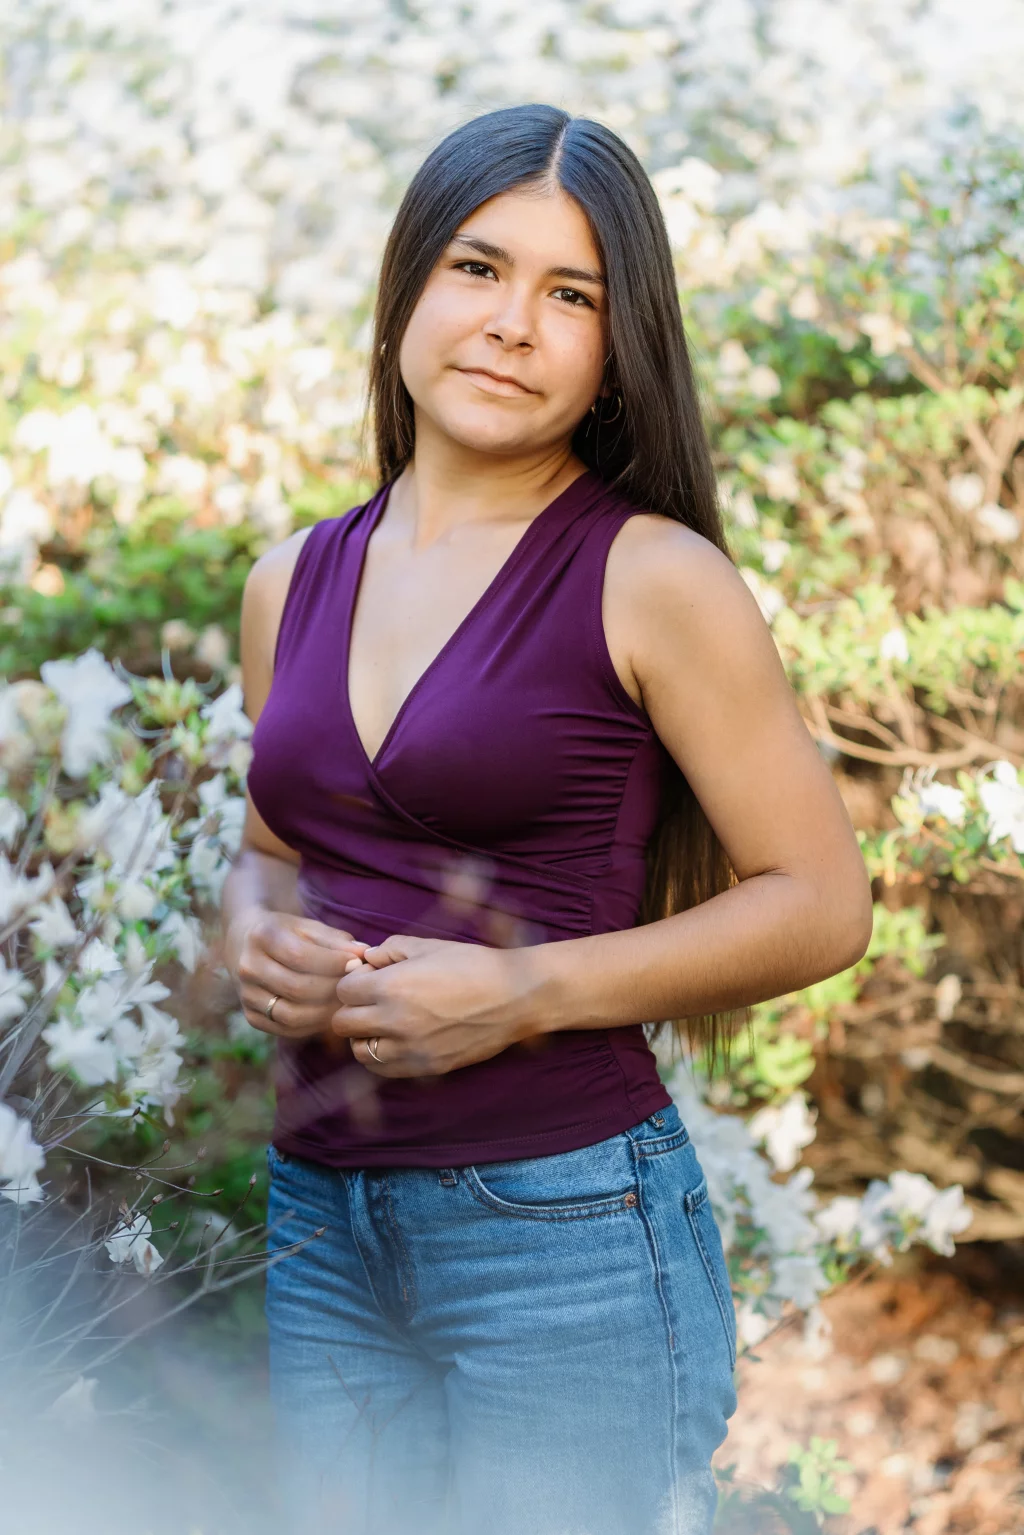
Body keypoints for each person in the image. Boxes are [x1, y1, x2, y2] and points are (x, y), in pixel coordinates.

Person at [221, 103, 873, 1535]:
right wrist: (264, 947)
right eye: (478, 267)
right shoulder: (289, 583)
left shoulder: (652, 578)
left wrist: (523, 993)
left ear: (618, 346)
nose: (513, 323)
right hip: (322, 1216)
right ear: (408, 284)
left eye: (571, 294)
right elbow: (272, 859)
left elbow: (822, 900)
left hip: (561, 1229)